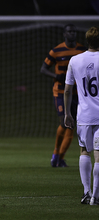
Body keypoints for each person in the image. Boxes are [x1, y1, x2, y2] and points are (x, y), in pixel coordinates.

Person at [40, 24, 87, 167]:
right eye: (69, 31)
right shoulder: (56, 51)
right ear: (64, 34)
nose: (72, 33)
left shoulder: (81, 51)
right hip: (60, 92)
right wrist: (56, 76)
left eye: (74, 31)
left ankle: (60, 158)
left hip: (76, 93)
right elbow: (43, 69)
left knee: (71, 125)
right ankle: (56, 154)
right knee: (64, 122)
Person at [64, 26, 99, 205]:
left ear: (86, 41)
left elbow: (68, 90)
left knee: (84, 151)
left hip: (84, 115)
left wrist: (67, 113)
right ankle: (96, 196)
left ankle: (86, 192)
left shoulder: (75, 60)